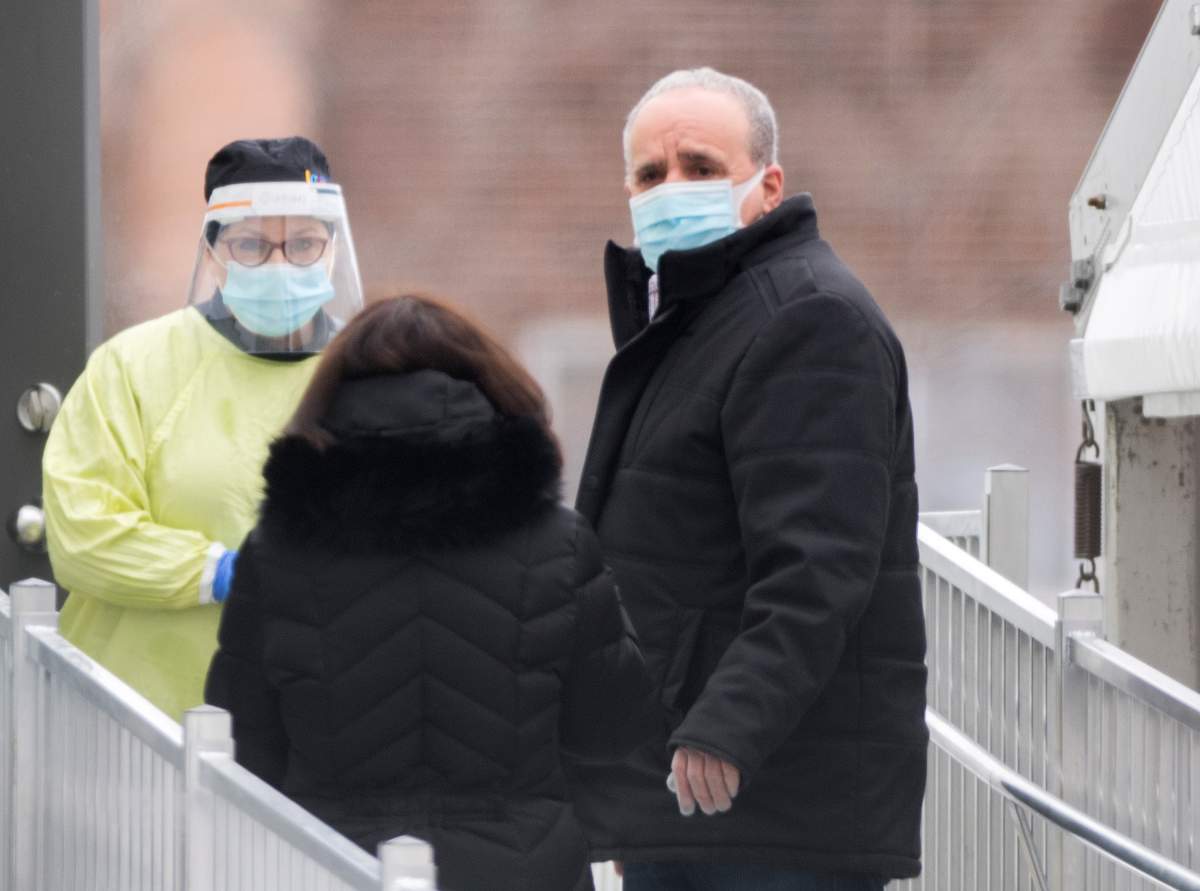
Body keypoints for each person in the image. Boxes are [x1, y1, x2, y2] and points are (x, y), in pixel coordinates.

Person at [566, 68, 928, 889]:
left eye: (699, 167)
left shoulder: (805, 316)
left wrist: (726, 726)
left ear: (768, 187)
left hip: (770, 805)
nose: (671, 191)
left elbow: (820, 564)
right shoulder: (697, 320)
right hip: (690, 796)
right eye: (650, 175)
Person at [204, 295, 655, 891]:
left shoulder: (279, 551)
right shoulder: (558, 545)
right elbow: (613, 724)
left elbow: (243, 743)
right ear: (495, 389)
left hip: (331, 867)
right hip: (525, 870)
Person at [42, 136, 364, 721]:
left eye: (303, 243)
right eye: (250, 245)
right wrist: (216, 572)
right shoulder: (134, 366)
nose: (279, 264)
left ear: (333, 248)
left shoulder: (370, 372)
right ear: (213, 251)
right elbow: (80, 535)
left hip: (313, 730)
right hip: (139, 728)